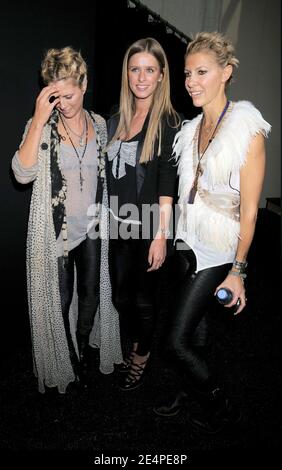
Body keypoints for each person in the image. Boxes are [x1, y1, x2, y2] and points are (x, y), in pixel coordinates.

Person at [153, 31, 271, 433]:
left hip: (218, 251)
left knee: (174, 342)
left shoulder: (246, 130)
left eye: (201, 72)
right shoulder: (191, 129)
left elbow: (251, 212)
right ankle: (192, 394)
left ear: (226, 72)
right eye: (187, 74)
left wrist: (239, 271)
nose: (191, 82)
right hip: (187, 243)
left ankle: (219, 403)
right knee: (196, 335)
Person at [11, 46, 122, 394]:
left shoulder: (100, 125)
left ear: (84, 84)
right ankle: (69, 360)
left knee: (89, 296)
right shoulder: (41, 126)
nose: (64, 103)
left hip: (90, 228)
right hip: (55, 233)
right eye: (56, 96)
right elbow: (21, 173)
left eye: (70, 94)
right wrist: (39, 119)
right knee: (59, 302)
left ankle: (83, 347)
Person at [105, 37, 181, 391]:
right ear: (127, 73)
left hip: (148, 226)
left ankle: (141, 354)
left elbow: (167, 186)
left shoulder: (167, 122)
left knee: (144, 300)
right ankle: (136, 342)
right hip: (116, 225)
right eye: (135, 69)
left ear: (162, 75)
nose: (141, 77)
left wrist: (161, 236)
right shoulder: (116, 119)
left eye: (150, 70)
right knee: (121, 298)